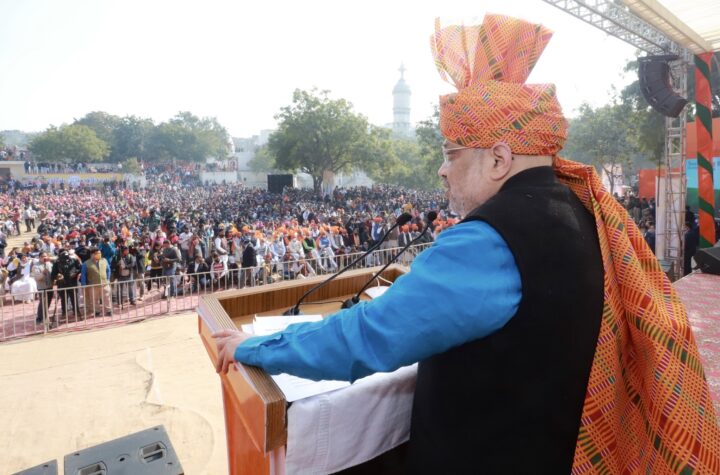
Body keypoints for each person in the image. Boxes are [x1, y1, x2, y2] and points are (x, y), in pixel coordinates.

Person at [214, 14, 720, 474]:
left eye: (451, 153)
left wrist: (256, 347)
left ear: (498, 159)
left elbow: (367, 337)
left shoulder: (489, 241)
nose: (440, 169)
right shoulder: (583, 210)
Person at [80, 248, 112, 317]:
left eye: (100, 253)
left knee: (107, 297)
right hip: (93, 285)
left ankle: (109, 310)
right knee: (94, 299)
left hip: (104, 283)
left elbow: (108, 270)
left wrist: (108, 278)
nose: (99, 254)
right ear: (92, 254)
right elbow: (83, 274)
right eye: (97, 253)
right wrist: (84, 285)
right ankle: (97, 311)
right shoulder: (86, 263)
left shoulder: (104, 260)